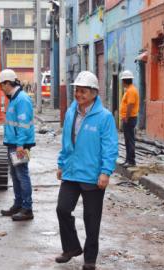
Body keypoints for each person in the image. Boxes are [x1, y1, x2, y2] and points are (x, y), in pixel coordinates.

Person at [55, 71, 118, 270]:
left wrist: (105, 172)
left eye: (83, 91)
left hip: (93, 176)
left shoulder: (105, 117)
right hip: (72, 172)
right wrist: (61, 163)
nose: (78, 94)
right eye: (76, 90)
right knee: (62, 209)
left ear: (94, 93)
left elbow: (110, 147)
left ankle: (90, 259)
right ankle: (72, 247)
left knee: (91, 219)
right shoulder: (71, 112)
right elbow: (66, 141)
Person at [0, 69, 36, 221]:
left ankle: (27, 208)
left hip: (20, 145)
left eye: (1, 85)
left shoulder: (22, 99)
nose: (0, 88)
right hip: (13, 143)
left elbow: (23, 124)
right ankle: (18, 204)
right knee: (15, 175)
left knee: (22, 175)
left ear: (8, 83)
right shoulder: (14, 98)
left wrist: (20, 145)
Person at [119, 70, 140, 167]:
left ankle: (131, 161)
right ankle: (128, 160)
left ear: (124, 81)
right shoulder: (129, 90)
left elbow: (130, 105)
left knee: (130, 139)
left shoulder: (131, 91)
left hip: (130, 118)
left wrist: (126, 117)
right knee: (127, 139)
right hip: (128, 118)